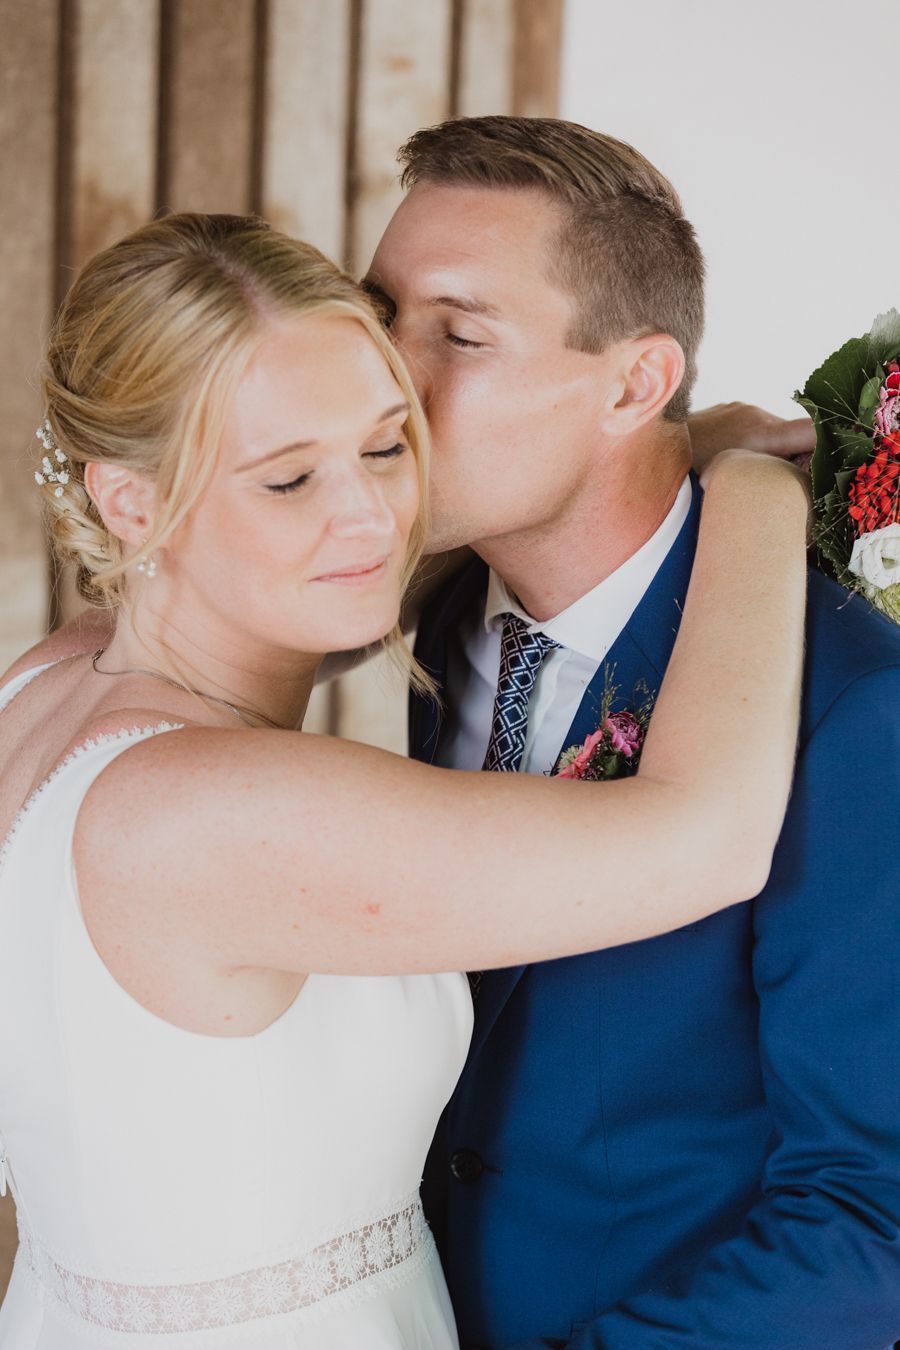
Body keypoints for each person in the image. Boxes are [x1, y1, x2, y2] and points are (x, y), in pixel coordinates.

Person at [0, 212, 809, 1350]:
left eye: (387, 447)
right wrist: (752, 490)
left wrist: (631, 457)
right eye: (289, 478)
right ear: (129, 501)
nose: (370, 517)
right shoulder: (207, 810)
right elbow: (705, 838)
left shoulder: (47, 683)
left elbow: (331, 579)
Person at [360, 116, 900, 1347]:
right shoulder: (427, 627)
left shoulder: (854, 713)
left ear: (636, 384)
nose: (384, 381)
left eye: (459, 334)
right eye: (379, 314)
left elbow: (873, 1229)